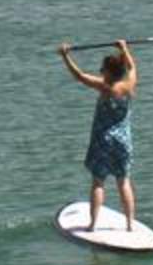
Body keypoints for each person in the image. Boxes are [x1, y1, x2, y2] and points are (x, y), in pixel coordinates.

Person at [57, 39, 138, 232]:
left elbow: (79, 76)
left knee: (98, 182)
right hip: (123, 141)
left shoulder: (105, 87)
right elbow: (132, 66)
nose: (101, 71)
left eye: (103, 69)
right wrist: (124, 49)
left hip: (103, 141)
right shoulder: (128, 86)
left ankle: (92, 225)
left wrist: (65, 56)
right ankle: (129, 225)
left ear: (109, 73)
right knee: (123, 181)